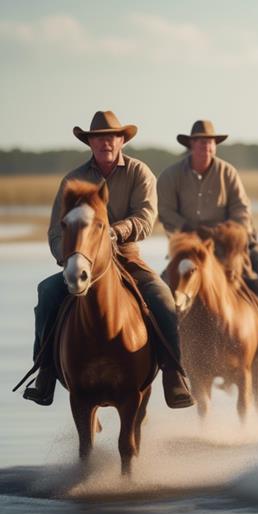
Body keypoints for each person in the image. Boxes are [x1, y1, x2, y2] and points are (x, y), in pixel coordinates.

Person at [22, 111, 193, 408]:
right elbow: (55, 230)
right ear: (90, 143)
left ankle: (173, 373)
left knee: (163, 297)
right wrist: (74, 257)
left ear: (121, 140)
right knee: (47, 292)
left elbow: (145, 218)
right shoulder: (73, 180)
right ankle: (45, 372)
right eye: (98, 138)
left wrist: (115, 232)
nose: (105, 142)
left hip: (126, 257)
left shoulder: (139, 172)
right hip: (85, 262)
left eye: (111, 137)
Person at [158, 119, 258, 370]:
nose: (205, 146)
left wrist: (221, 232)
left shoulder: (227, 172)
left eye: (209, 142)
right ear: (190, 145)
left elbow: (242, 211)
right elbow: (165, 212)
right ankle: (167, 355)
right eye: (199, 142)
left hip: (231, 246)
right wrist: (189, 229)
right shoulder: (171, 176)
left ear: (215, 146)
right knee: (163, 291)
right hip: (190, 249)